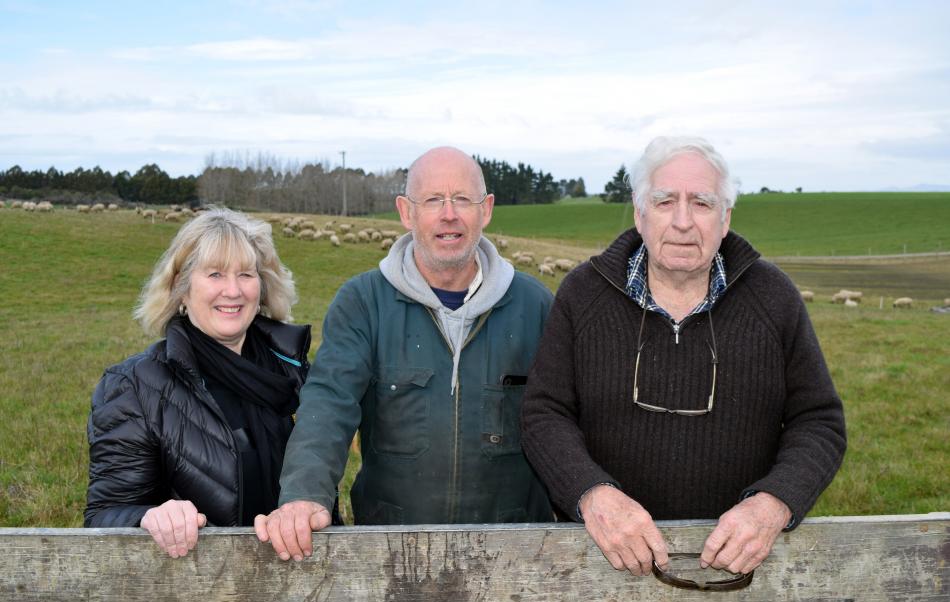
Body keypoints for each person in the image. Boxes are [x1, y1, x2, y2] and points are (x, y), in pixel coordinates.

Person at [521, 136, 847, 577]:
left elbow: (820, 421)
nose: (682, 221)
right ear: (639, 214)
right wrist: (591, 495)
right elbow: (544, 413)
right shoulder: (584, 294)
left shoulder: (774, 299)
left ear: (725, 218)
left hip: (739, 568)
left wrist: (774, 503)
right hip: (602, 560)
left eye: (701, 203)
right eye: (664, 201)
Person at [255, 146, 554, 561]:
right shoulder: (364, 302)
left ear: (485, 210)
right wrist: (305, 494)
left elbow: (565, 417)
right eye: (432, 200)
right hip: (392, 553)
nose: (448, 214)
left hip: (514, 554)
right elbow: (329, 402)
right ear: (405, 212)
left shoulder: (535, 306)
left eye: (462, 199)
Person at [85, 208, 324, 558]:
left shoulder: (297, 375)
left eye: (245, 274)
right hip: (196, 592)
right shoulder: (134, 387)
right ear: (182, 289)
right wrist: (149, 517)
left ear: (261, 286)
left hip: (309, 581)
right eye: (215, 274)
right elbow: (104, 515)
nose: (232, 290)